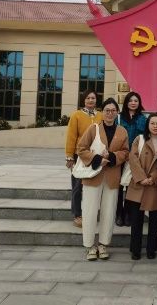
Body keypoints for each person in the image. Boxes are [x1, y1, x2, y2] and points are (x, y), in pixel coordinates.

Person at [76, 97, 129, 261]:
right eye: (107, 110)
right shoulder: (93, 128)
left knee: (109, 211)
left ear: (117, 112)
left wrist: (112, 156)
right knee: (90, 211)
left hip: (112, 177)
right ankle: (89, 245)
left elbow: (125, 152)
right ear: (102, 112)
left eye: (113, 110)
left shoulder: (122, 131)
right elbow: (81, 148)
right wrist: (97, 159)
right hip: (93, 176)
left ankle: (103, 244)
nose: (110, 113)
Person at [125, 113, 157, 260]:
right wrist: (142, 178)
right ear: (148, 125)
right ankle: (135, 249)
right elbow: (133, 159)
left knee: (154, 221)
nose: (155, 126)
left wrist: (154, 178)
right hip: (139, 185)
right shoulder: (140, 139)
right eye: (152, 123)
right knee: (136, 221)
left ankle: (151, 249)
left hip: (155, 186)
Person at [65, 89, 103, 228]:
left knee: (93, 185)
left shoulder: (101, 116)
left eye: (93, 98)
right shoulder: (77, 115)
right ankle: (77, 214)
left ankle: (91, 213)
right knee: (77, 186)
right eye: (88, 98)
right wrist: (70, 156)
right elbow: (71, 136)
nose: (90, 100)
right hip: (79, 155)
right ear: (83, 100)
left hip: (96, 156)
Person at [116, 92, 147, 227]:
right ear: (126, 102)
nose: (133, 103)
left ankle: (128, 213)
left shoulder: (143, 119)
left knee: (131, 186)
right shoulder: (119, 118)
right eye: (131, 100)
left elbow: (145, 138)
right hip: (120, 156)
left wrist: (135, 155)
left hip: (135, 158)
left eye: (136, 101)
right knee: (118, 186)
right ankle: (119, 213)